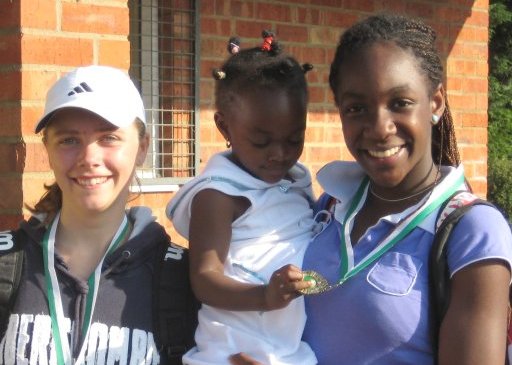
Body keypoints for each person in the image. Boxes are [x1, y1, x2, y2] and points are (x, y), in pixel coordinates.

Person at [231, 13, 512, 365]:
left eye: (400, 103)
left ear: (435, 103)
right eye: (357, 108)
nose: (379, 128)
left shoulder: (471, 231)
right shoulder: (329, 206)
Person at [0, 65, 171, 364]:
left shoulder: (181, 279)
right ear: (48, 150)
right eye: (68, 140)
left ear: (142, 148)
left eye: (109, 138)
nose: (89, 158)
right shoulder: (5, 263)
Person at [166, 32, 317, 365]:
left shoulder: (296, 180)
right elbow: (204, 279)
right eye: (261, 142)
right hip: (231, 352)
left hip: (287, 350)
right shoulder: (219, 194)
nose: (279, 154)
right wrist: (265, 296)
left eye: (294, 139)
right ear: (224, 126)